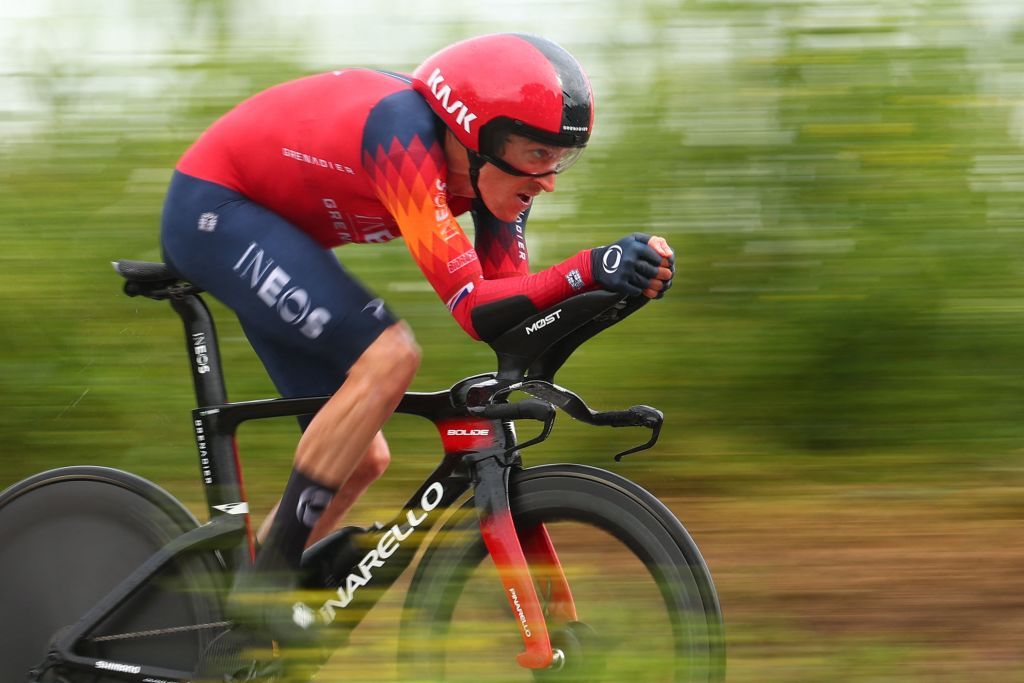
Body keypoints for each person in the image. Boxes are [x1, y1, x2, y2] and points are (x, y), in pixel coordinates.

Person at [161, 32, 674, 676]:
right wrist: (586, 268)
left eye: (560, 160)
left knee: (359, 457)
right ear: (476, 133)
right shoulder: (402, 135)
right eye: (536, 155)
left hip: (272, 227)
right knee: (390, 356)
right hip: (213, 209)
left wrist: (616, 289)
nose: (547, 182)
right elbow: (471, 304)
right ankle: (263, 588)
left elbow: (509, 317)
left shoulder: (494, 180)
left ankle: (222, 634)